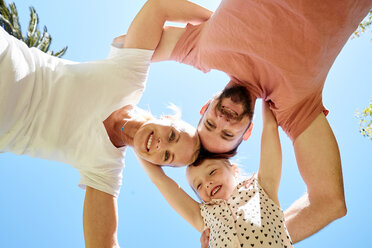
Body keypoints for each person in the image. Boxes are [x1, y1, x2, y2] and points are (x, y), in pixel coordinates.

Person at [147, 0, 372, 243]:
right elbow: (330, 202)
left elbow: (132, 49)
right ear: (247, 132)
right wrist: (255, 235)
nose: (223, 120)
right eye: (227, 134)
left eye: (211, 124)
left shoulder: (202, 48)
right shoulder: (294, 107)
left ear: (206, 106)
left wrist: (134, 129)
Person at [0, 0, 212, 247]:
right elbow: (158, 8)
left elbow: (103, 243)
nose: (160, 144)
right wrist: (220, 25)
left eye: (166, 156)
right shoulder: (129, 77)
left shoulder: (105, 168)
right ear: (167, 118)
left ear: (155, 165)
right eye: (173, 136)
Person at [139, 102, 293, 247]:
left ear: (234, 170)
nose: (206, 183)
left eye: (212, 172)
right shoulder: (204, 217)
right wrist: (135, 139)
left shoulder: (261, 190)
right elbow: (159, 180)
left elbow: (270, 127)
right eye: (198, 185)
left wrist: (266, 91)